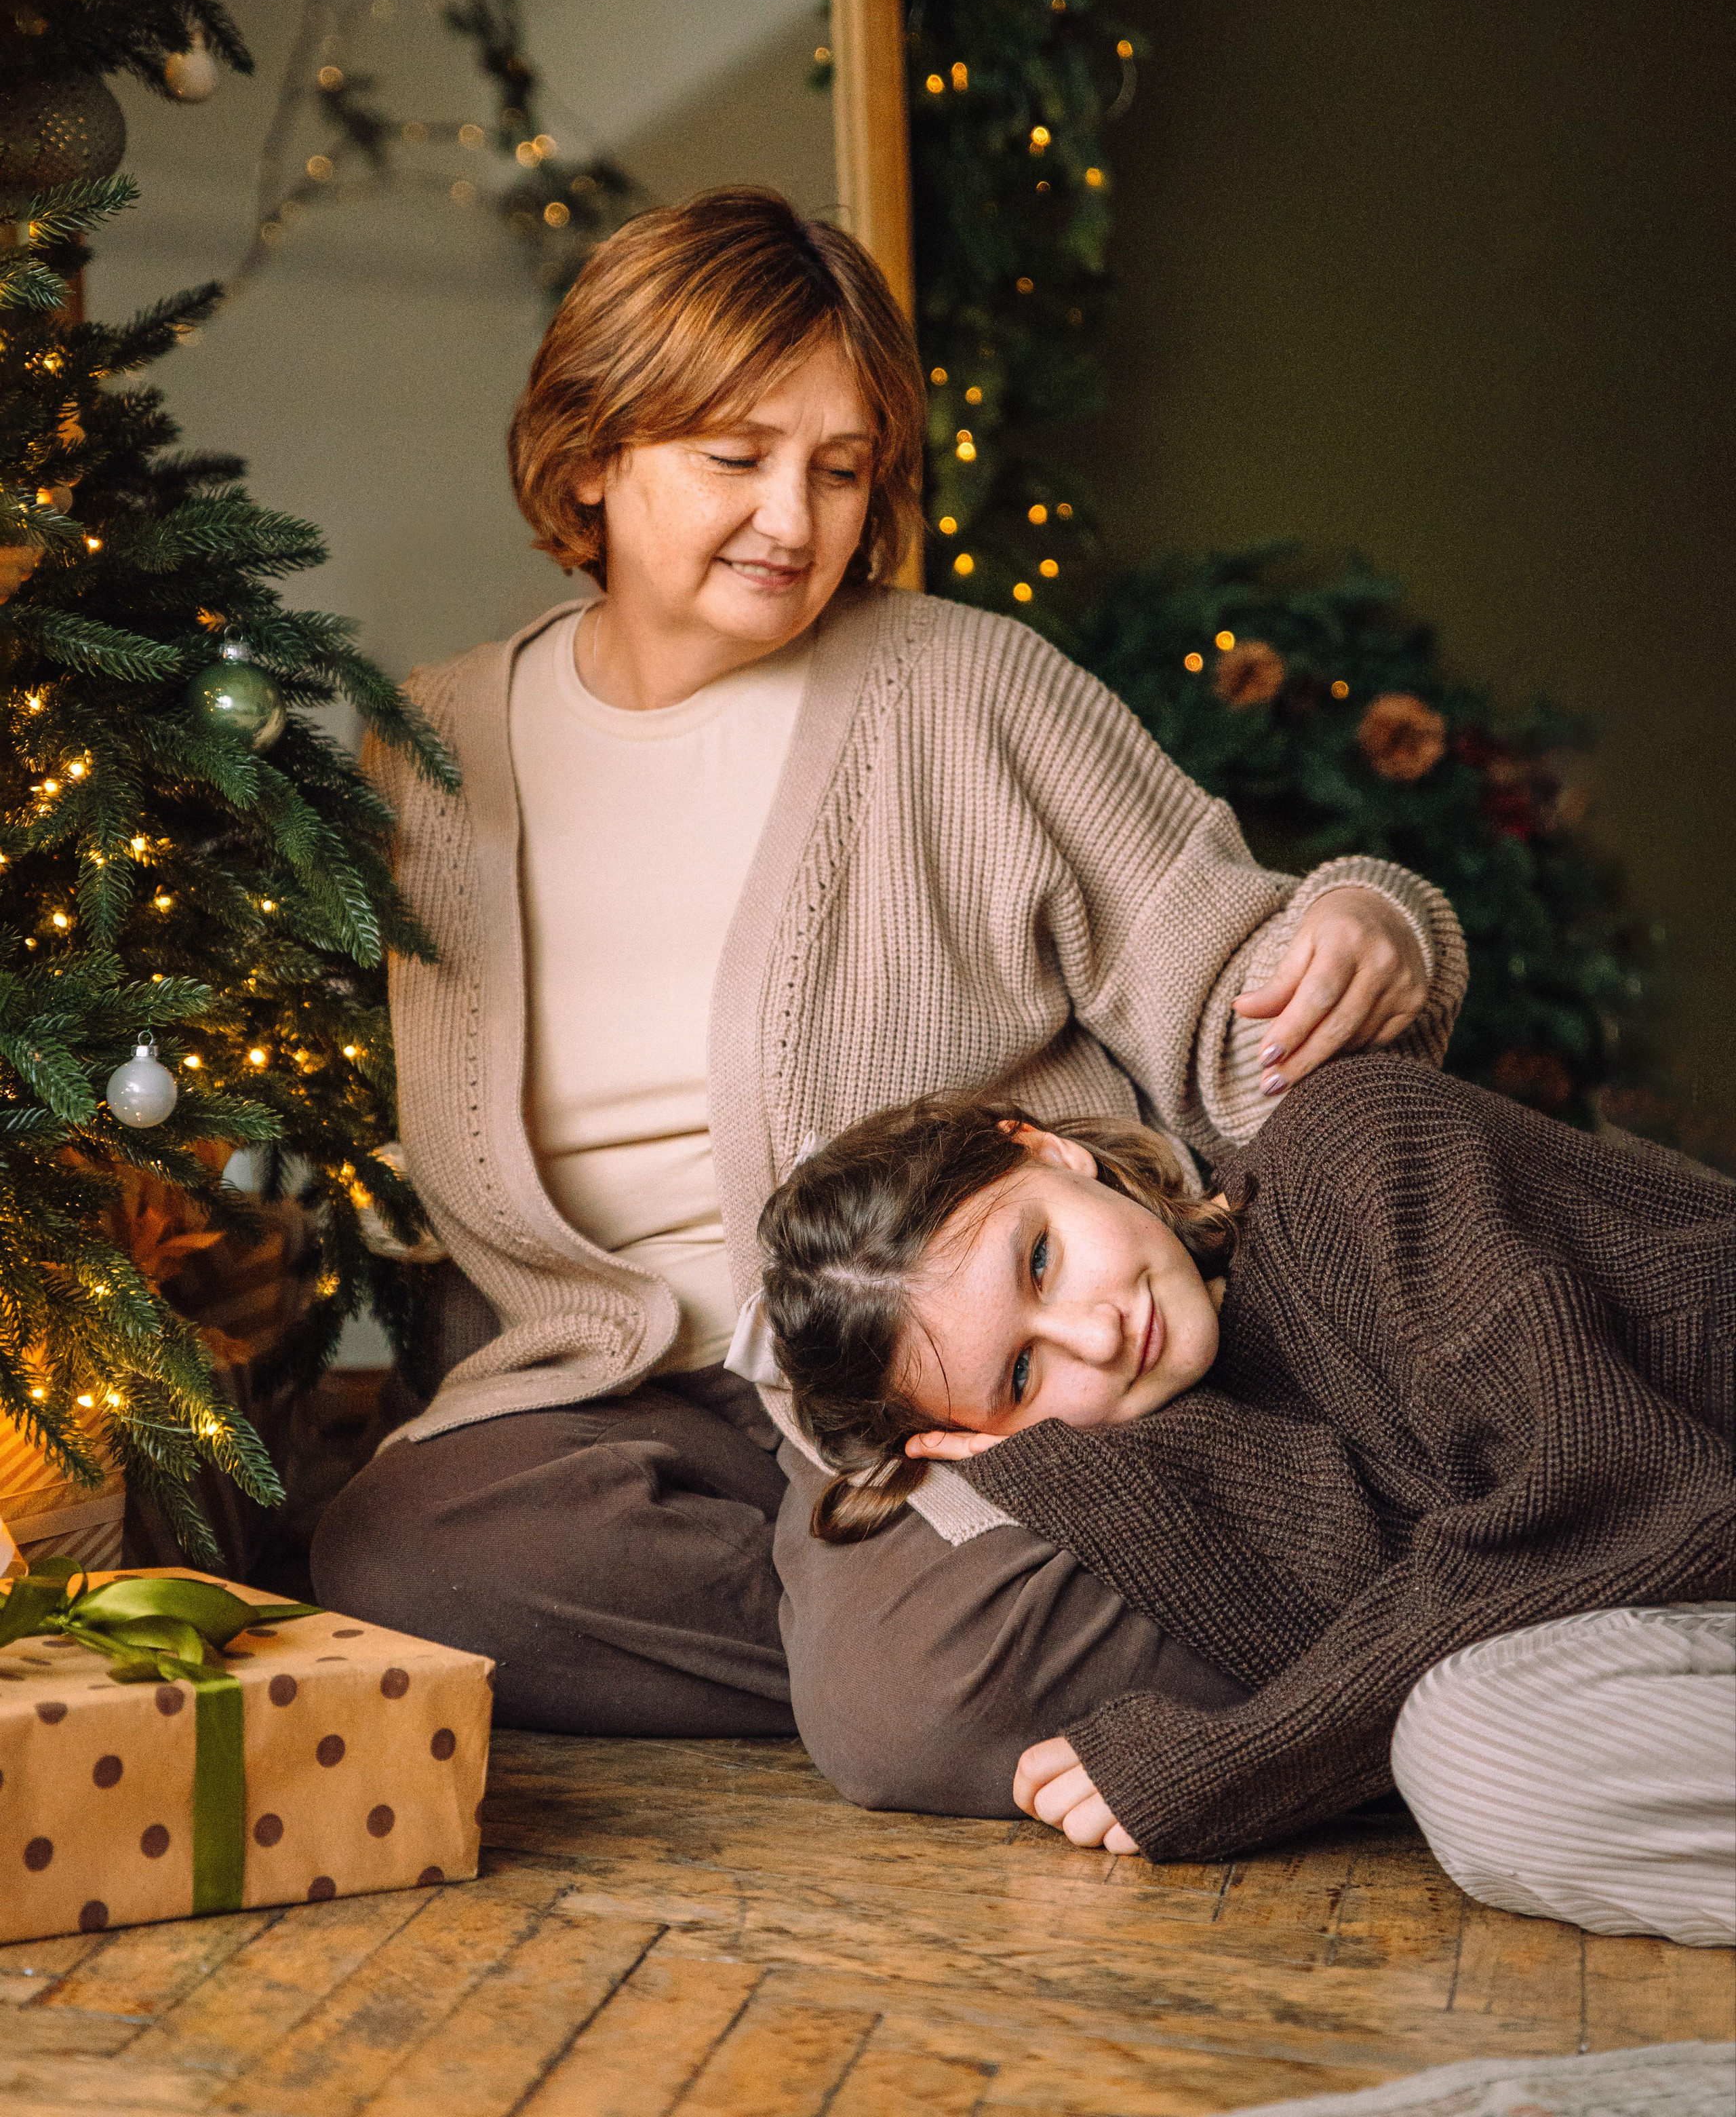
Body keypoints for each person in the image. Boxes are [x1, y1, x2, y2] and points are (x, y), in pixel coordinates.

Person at [313, 184, 1465, 1791]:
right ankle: (888, 1616)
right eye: (735, 456)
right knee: (398, 1558)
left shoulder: (955, 687)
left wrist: (1371, 923)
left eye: (840, 469)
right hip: (641, 1398)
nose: (792, 519)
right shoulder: (426, 750)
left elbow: (1232, 980)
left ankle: (1413, 1607)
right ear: (588, 456)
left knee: (907, 1709)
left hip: (971, 1372)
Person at [750, 1060, 1736, 1946]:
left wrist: (1240, 1761)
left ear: (1048, 1152)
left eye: (1041, 1259)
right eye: (1019, 1374)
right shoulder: (1192, 1441)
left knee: (1469, 1746)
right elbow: (1404, 1605)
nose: (1098, 1336)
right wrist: (1053, 1460)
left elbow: (1625, 1494)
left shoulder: (1356, 1145)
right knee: (1476, 1751)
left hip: (1695, 1514)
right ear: (966, 1440)